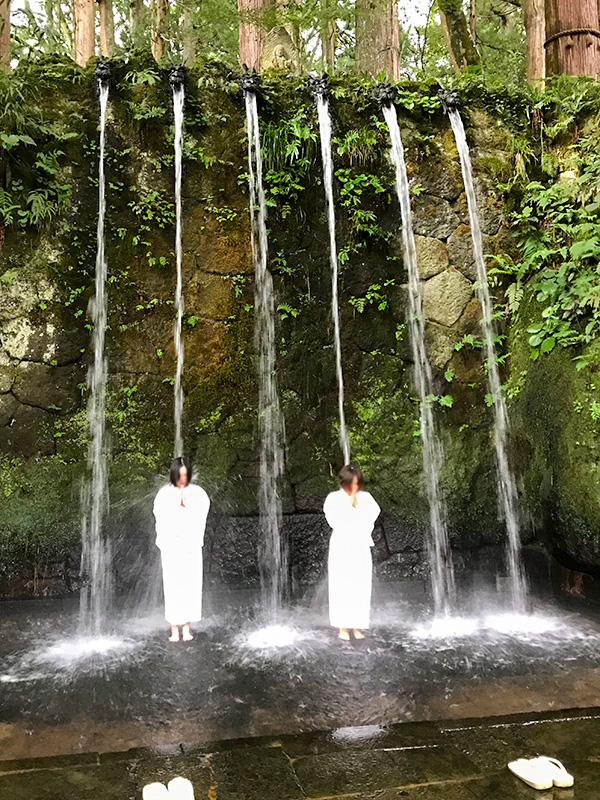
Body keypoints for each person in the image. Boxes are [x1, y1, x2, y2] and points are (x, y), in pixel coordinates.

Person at [153, 456, 210, 642]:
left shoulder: (198, 493)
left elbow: (202, 511)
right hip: (172, 547)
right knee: (172, 585)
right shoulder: (164, 494)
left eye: (186, 475)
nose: (182, 479)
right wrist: (175, 508)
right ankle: (174, 628)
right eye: (180, 475)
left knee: (191, 584)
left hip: (190, 546)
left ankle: (187, 627)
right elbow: (159, 515)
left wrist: (187, 507)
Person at [324, 464, 380, 641]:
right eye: (350, 484)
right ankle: (342, 627)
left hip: (360, 544)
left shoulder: (367, 498)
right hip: (342, 545)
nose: (354, 488)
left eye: (357, 484)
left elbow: (373, 514)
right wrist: (351, 508)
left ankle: (357, 626)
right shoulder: (333, 498)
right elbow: (333, 520)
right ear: (342, 483)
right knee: (341, 583)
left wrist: (357, 505)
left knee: (361, 583)